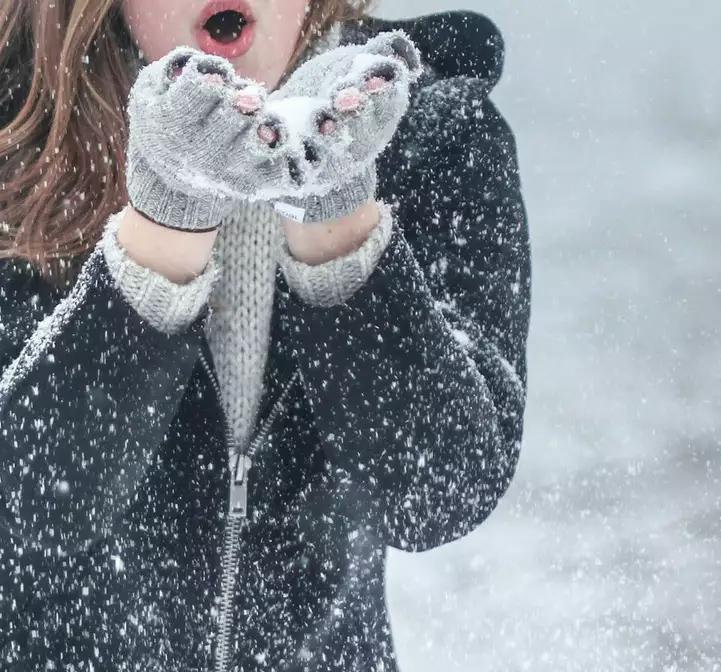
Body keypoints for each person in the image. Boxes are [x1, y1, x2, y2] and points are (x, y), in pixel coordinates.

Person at [0, 0, 530, 669]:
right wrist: (166, 223)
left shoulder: (435, 136)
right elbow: (26, 516)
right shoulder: (16, 139)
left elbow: (440, 494)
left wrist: (336, 218)